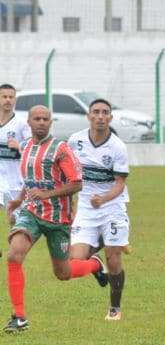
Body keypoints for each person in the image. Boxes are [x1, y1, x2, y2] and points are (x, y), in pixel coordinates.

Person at [4, 105, 107, 333]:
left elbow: (77, 183)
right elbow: (30, 180)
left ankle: (94, 264)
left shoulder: (61, 149)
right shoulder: (27, 147)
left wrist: (47, 194)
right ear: (28, 122)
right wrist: (18, 200)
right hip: (31, 212)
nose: (41, 122)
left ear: (51, 123)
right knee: (14, 254)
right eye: (37, 118)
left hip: (58, 219)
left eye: (46, 118)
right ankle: (19, 317)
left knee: (63, 273)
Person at [67, 98, 131, 321]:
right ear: (89, 116)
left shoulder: (118, 147)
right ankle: (95, 265)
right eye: (96, 112)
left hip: (112, 205)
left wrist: (103, 198)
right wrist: (72, 203)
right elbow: (68, 172)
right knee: (74, 262)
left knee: (114, 258)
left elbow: (120, 183)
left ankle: (115, 307)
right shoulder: (76, 141)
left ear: (110, 118)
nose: (101, 116)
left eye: (105, 112)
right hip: (86, 206)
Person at [0, 84, 32, 226]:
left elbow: (32, 149)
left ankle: (15, 247)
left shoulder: (22, 123)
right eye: (4, 97)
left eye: (11, 97)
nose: (8, 100)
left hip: (16, 182)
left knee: (16, 221)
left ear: (15, 100)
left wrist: (19, 147)